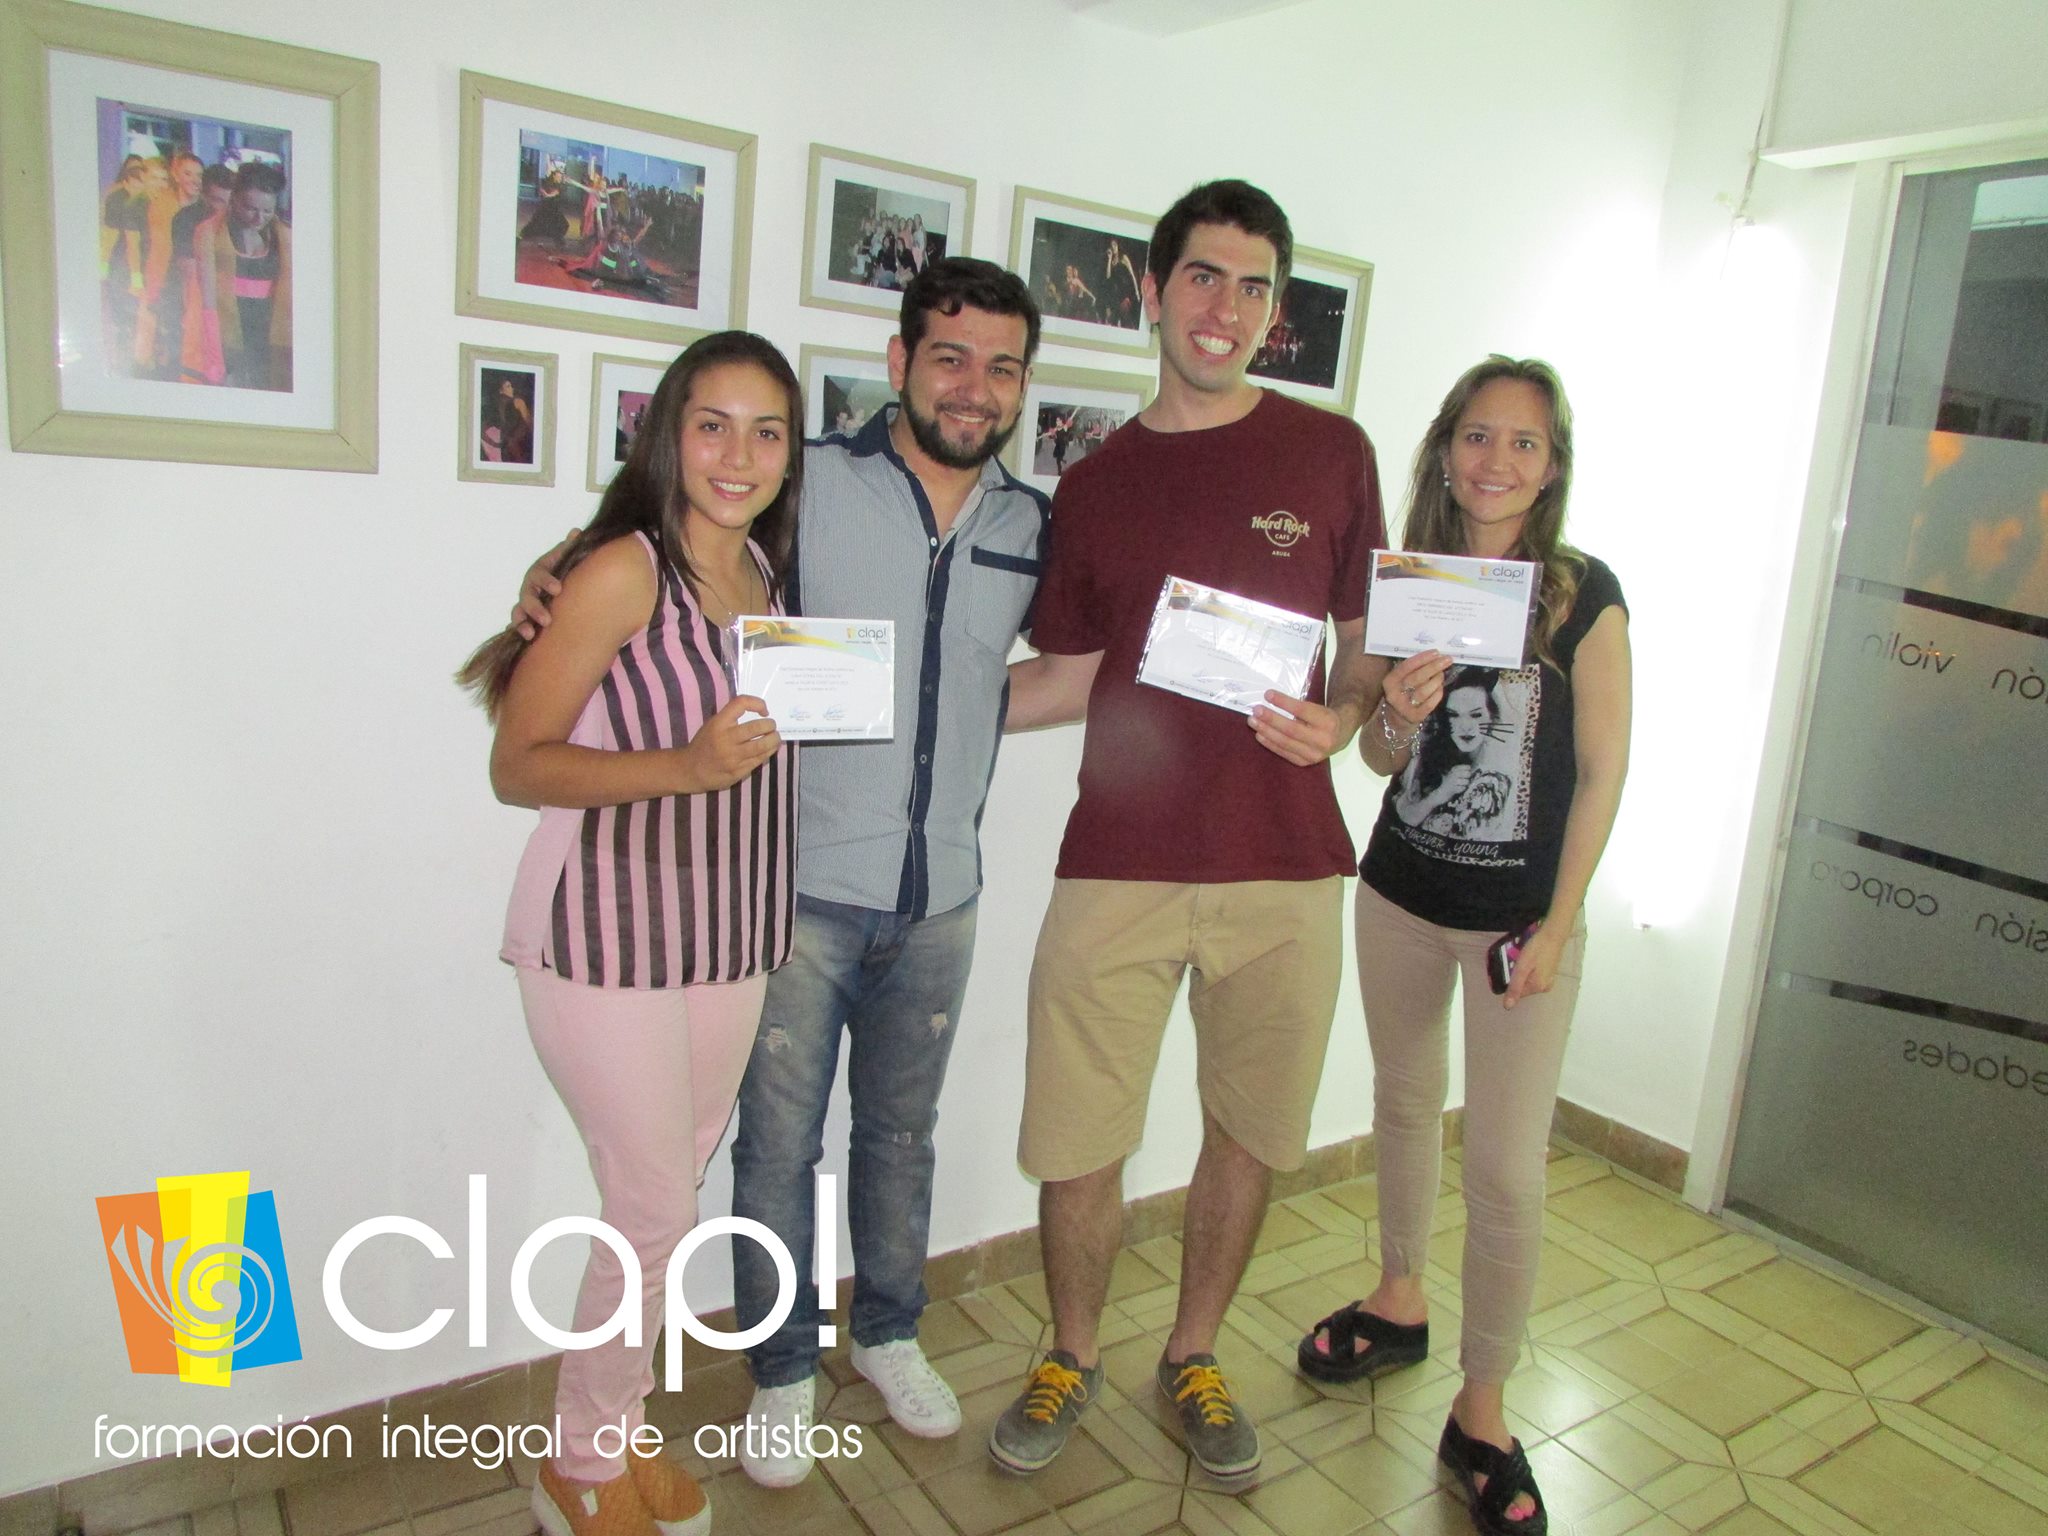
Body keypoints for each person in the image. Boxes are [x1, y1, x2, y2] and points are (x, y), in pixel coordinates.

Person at [511, 258, 1049, 1490]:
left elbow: (1049, 664)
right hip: (785, 896)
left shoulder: (1027, 524)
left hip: (915, 894)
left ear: (1023, 386)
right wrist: (557, 568)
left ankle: (886, 1335)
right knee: (764, 1152)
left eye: (1001, 366)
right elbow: (659, 536)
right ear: (900, 361)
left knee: (896, 1135)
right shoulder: (807, 486)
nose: (972, 385)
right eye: (948, 355)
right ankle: (777, 1372)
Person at [991, 180, 1383, 1480]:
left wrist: (1342, 716)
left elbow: (1365, 648)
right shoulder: (1095, 482)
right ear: (1152, 293)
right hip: (1118, 864)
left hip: (1288, 868)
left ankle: (1193, 1353)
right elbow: (1067, 675)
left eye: (1254, 286)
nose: (1227, 308)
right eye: (1204, 277)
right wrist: (916, 703)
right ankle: (1071, 1351)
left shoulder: (1333, 453)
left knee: (1250, 1129)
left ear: (1274, 312)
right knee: (1077, 1136)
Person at [460, 330, 804, 1536]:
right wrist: (686, 766)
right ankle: (578, 1464)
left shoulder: (767, 575)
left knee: (661, 1200)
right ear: (668, 433)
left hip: (727, 937)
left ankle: (610, 1429)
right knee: (655, 1207)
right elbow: (519, 765)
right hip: (602, 938)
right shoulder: (619, 573)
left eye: (766, 431)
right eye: (712, 424)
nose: (738, 454)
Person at [1294, 358, 1630, 1536]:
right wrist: (1394, 714)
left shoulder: (1581, 597)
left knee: (1504, 1169)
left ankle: (1481, 1407)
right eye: (1477, 436)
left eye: (1522, 443)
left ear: (1550, 468)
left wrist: (1559, 923)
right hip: (1397, 892)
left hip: (1516, 925)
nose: (1495, 461)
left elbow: (1601, 773)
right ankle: (1398, 1298)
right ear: (1445, 451)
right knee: (1400, 1104)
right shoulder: (1413, 584)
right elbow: (1379, 761)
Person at [195, 161, 291, 391]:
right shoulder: (209, 233)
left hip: (269, 333)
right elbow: (207, 302)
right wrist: (214, 358)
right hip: (227, 330)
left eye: (267, 211)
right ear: (234, 199)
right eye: (251, 209)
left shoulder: (283, 236)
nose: (259, 218)